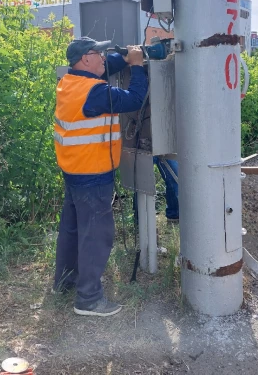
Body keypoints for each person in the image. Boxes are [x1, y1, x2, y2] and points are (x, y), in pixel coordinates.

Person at [53, 36, 146, 317]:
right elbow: (135, 99)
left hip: (73, 170)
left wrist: (127, 56)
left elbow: (105, 68)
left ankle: (66, 281)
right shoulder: (96, 92)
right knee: (96, 236)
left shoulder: (69, 82)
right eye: (98, 53)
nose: (104, 58)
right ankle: (89, 299)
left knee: (72, 230)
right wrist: (139, 66)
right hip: (93, 173)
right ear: (85, 59)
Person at [153, 157, 179, 222]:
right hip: (142, 148)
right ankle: (141, 222)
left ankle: (174, 216)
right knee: (141, 182)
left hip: (163, 148)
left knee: (174, 178)